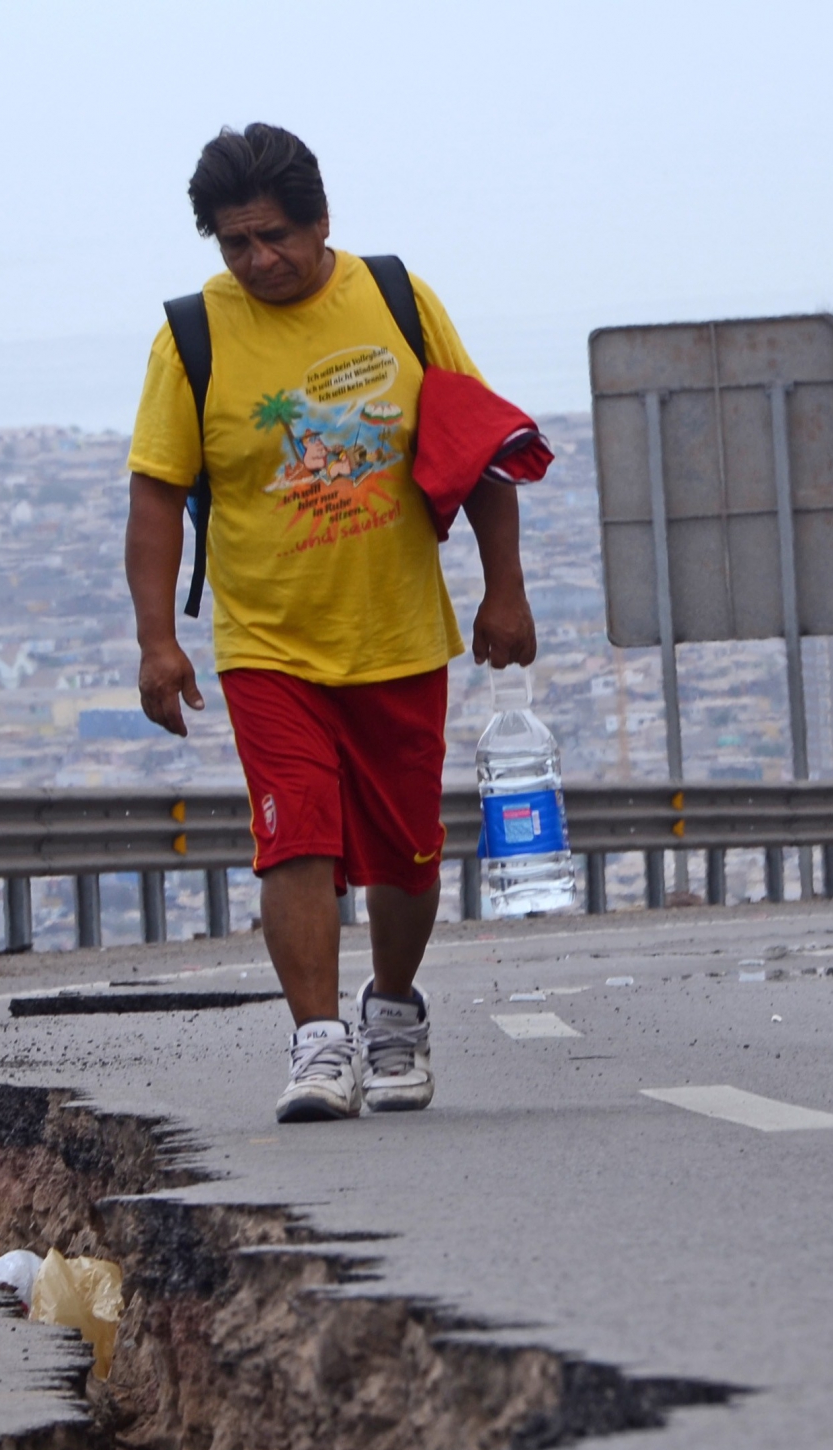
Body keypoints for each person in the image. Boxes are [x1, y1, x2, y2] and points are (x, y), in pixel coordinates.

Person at [123, 123, 535, 1120]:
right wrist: (157, 639)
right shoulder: (194, 335)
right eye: (235, 245)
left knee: (407, 852)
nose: (259, 261)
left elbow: (478, 445)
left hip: (395, 634)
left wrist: (505, 589)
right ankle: (317, 1042)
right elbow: (154, 494)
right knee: (293, 834)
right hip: (267, 641)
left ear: (320, 223)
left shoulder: (395, 298)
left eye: (273, 237)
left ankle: (392, 1009)